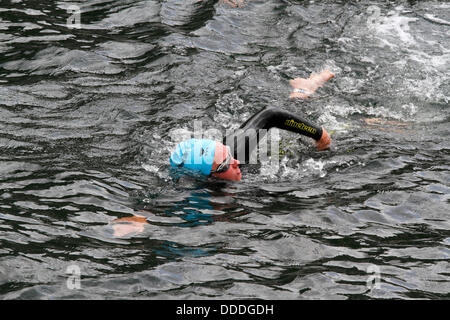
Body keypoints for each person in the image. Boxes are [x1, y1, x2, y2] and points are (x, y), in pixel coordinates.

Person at [170, 70, 335, 181]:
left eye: (228, 154)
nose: (235, 161)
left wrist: (319, 134)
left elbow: (271, 114)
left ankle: (304, 89)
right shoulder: (196, 194)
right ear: (209, 178)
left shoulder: (235, 152)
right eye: (225, 163)